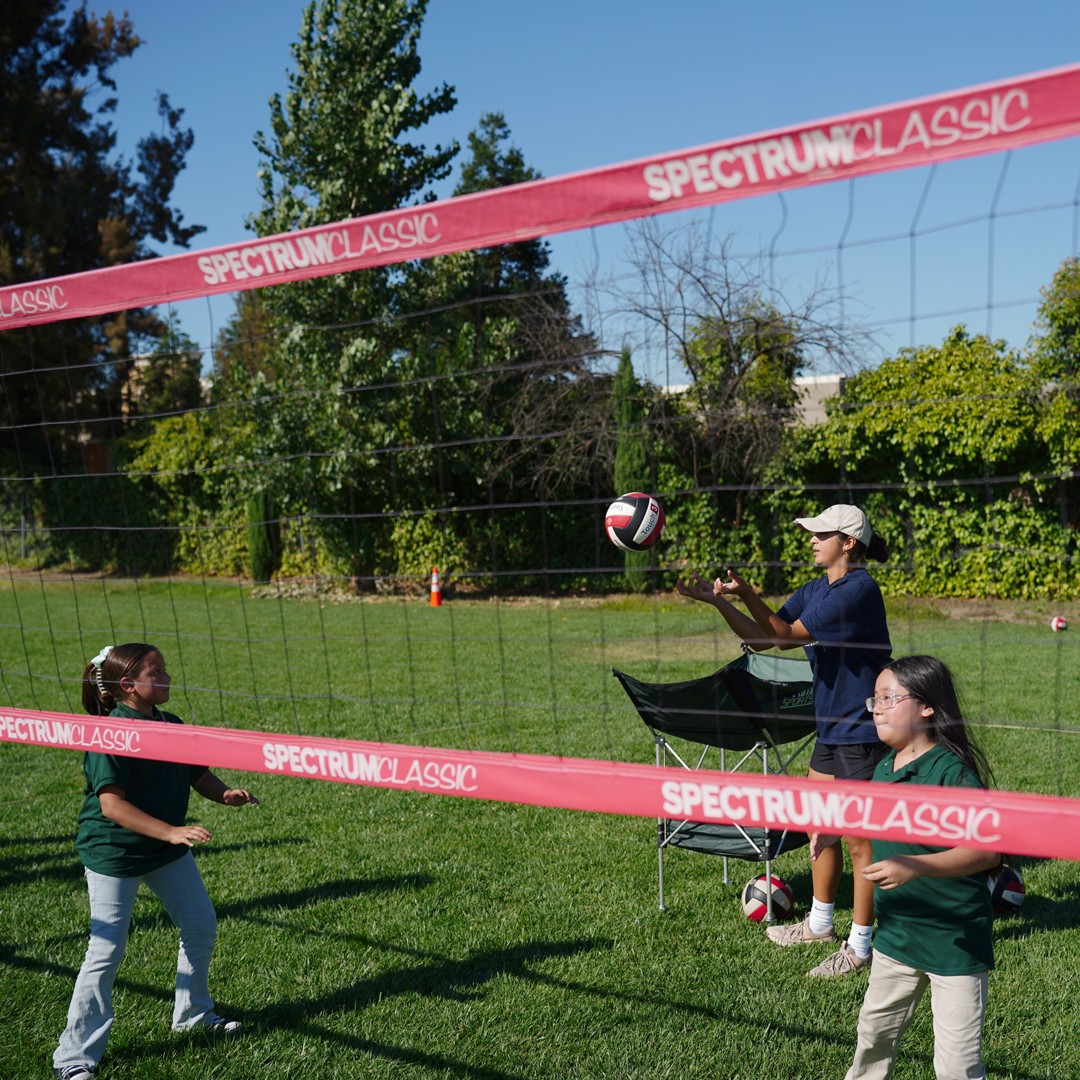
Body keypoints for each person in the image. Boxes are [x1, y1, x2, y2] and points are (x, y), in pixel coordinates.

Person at [676, 503, 891, 976]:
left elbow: (786, 637)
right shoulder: (821, 587)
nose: (812, 540)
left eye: (821, 534)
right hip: (832, 724)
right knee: (819, 827)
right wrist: (721, 601)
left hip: (861, 726)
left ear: (848, 542)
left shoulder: (857, 590)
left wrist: (749, 593)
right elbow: (761, 638)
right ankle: (819, 924)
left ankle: (859, 948)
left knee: (859, 842)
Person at [52, 643, 259, 1080]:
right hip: (115, 852)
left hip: (165, 847)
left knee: (200, 924)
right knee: (106, 949)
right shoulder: (108, 733)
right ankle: (74, 1057)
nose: (167, 678)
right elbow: (112, 806)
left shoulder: (171, 723)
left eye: (165, 670)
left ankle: (193, 1015)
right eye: (158, 673)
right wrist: (171, 831)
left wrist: (223, 794)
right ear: (128, 685)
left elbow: (195, 774)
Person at [812, 655, 1000, 1080]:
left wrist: (916, 865)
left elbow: (988, 852)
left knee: (957, 1065)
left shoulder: (953, 775)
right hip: (896, 936)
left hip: (953, 942)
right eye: (874, 700)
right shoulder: (883, 768)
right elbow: (874, 818)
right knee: (872, 1037)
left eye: (888, 698)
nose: (877, 709)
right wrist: (836, 829)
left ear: (927, 706)